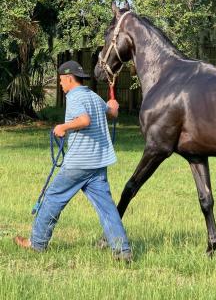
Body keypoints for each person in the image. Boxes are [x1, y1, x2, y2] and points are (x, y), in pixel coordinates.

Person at [14, 60, 132, 261]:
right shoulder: (93, 96)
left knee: (53, 198)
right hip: (98, 163)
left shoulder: (74, 97)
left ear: (69, 78)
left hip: (79, 163)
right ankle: (122, 251)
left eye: (61, 80)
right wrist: (113, 105)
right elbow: (112, 113)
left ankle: (37, 244)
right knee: (106, 207)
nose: (60, 84)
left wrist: (63, 127)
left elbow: (84, 120)